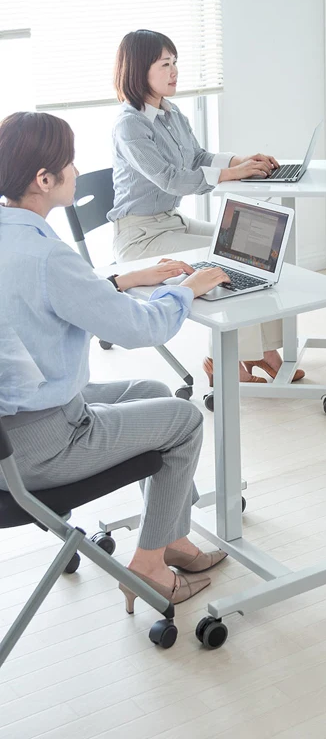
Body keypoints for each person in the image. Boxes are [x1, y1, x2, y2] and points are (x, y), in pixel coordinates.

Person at [0, 111, 232, 610]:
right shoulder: (47, 256)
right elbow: (139, 329)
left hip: (13, 428)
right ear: (44, 180)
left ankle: (172, 537)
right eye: (69, 163)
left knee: (151, 392)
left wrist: (124, 280)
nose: (78, 171)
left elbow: (48, 297)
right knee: (185, 419)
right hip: (43, 445)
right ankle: (149, 567)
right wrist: (187, 289)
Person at [109, 29, 303, 384]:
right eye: (165, 64)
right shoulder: (129, 126)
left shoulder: (171, 113)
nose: (174, 71)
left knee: (251, 249)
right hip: (140, 237)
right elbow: (169, 177)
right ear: (139, 71)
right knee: (232, 256)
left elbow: (197, 157)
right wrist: (232, 173)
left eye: (175, 62)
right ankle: (231, 363)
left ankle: (261, 353)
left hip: (171, 221)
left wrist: (241, 160)